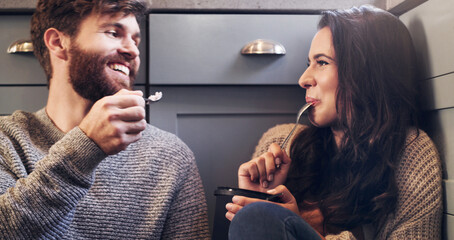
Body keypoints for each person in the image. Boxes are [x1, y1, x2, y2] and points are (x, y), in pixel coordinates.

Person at [225, 5, 442, 240]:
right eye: (308, 63)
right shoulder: (281, 145)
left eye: (322, 62)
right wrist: (261, 199)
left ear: (367, 73)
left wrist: (296, 228)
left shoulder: (410, 153)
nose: (303, 79)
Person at [0, 0, 210, 239]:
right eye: (114, 33)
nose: (133, 50)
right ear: (58, 42)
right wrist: (85, 148)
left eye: (135, 40)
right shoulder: (6, 141)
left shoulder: (170, 156)